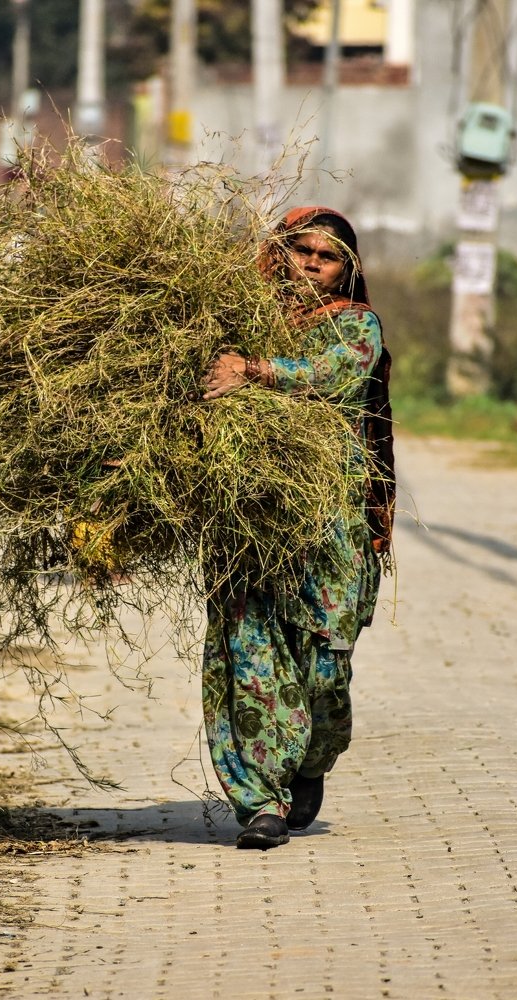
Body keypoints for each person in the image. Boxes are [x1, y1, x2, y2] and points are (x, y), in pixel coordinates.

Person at [201, 206, 395, 850]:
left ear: (348, 269)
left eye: (328, 255)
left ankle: (311, 761)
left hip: (331, 524)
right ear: (280, 253)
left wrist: (253, 371)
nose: (312, 262)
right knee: (250, 658)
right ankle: (262, 802)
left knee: (324, 671)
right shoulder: (239, 321)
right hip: (247, 520)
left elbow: (330, 380)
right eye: (301, 250)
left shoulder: (358, 327)